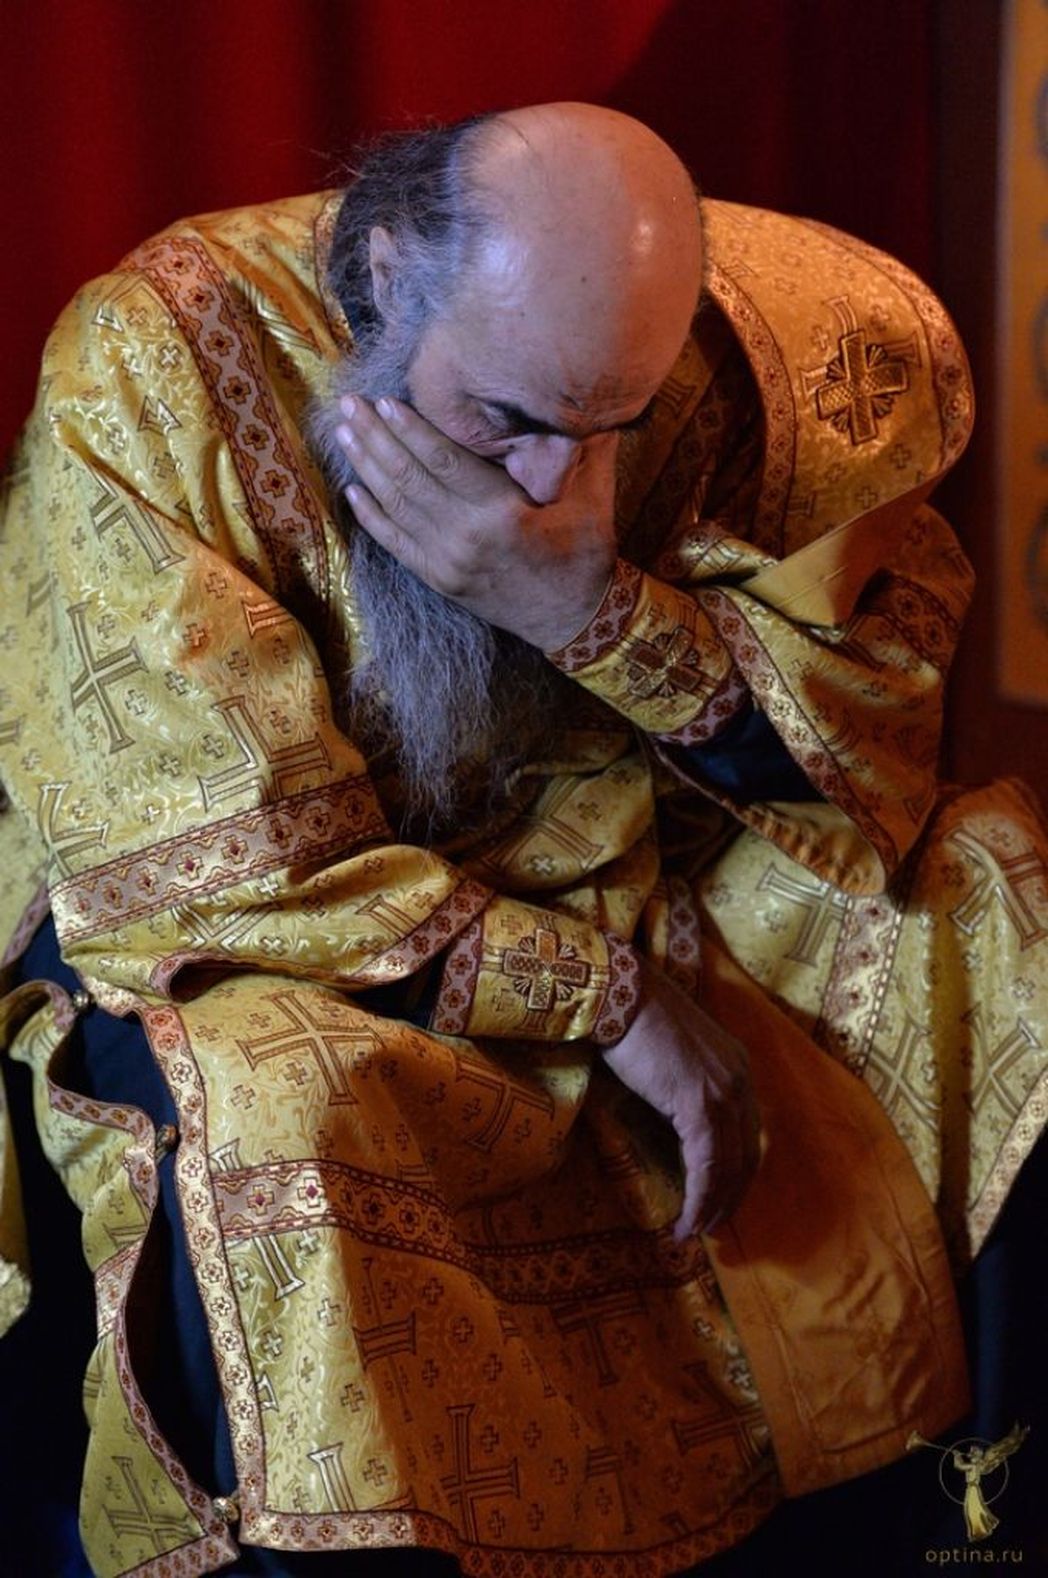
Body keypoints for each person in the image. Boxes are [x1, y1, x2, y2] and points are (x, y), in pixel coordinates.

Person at [0, 101, 1044, 1577]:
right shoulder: (155, 362)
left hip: (655, 862)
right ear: (386, 273)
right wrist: (609, 1002)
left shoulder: (763, 338)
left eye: (612, 427)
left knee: (999, 893)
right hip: (309, 928)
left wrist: (582, 607)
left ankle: (974, 1532)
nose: (557, 487)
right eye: (507, 418)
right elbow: (214, 853)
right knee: (270, 1094)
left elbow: (870, 714)